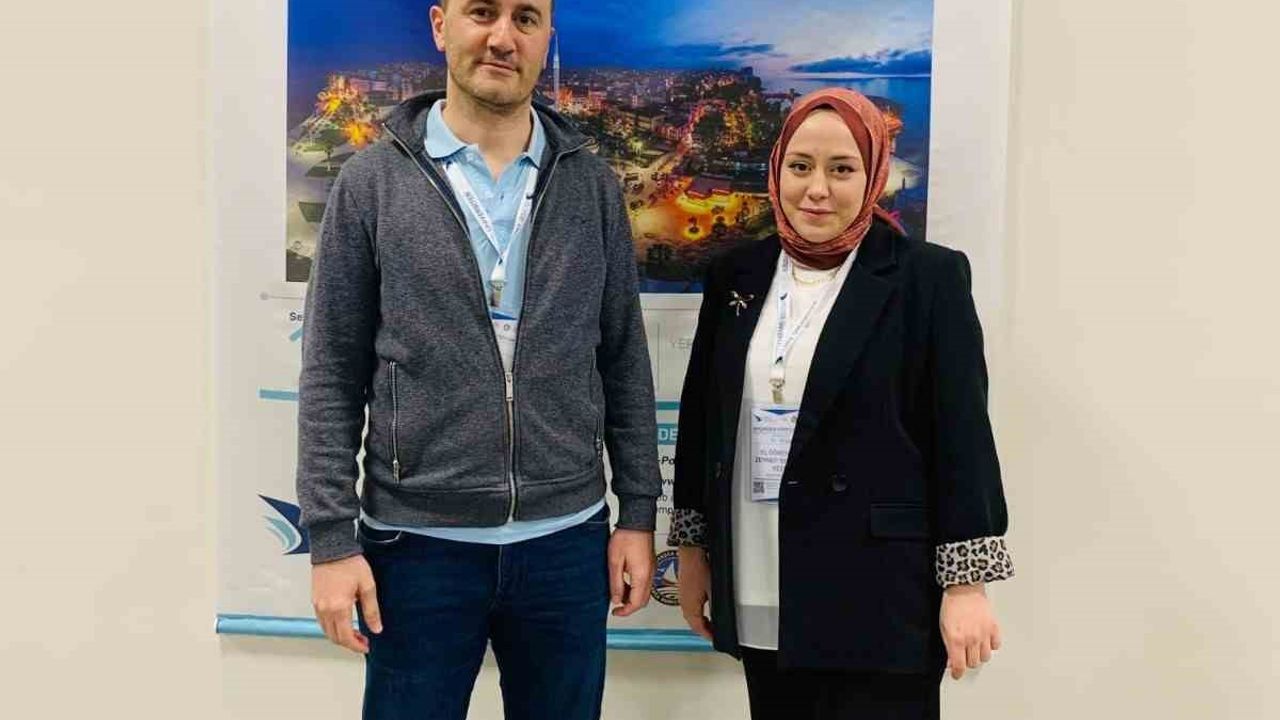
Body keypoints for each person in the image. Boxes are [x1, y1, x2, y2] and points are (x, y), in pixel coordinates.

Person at [295, 1, 662, 718]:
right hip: (417, 546)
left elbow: (623, 356)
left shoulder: (590, 185)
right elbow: (332, 372)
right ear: (440, 26)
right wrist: (332, 542)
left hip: (567, 541)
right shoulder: (372, 183)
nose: (502, 37)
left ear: (546, 37)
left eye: (525, 18)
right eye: (482, 13)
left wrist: (638, 512)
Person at [669, 88, 1015, 720]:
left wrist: (966, 582)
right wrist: (693, 551)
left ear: (873, 175)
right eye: (800, 166)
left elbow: (961, 434)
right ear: (776, 169)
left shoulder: (926, 278)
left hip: (879, 588)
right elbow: (702, 422)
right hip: (762, 572)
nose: (817, 190)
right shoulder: (737, 276)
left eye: (842, 169)